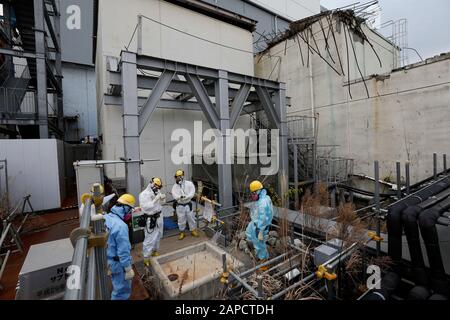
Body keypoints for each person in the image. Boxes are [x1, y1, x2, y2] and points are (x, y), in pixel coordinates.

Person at [104, 194, 136, 300]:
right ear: (125, 208)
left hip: (108, 260)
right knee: (121, 292)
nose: (130, 213)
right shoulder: (121, 226)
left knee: (116, 286)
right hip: (118, 264)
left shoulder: (106, 217)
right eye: (130, 210)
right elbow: (123, 251)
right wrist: (127, 268)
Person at [245, 180, 274, 267]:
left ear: (258, 192)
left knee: (260, 244)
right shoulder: (265, 197)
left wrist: (261, 231)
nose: (252, 196)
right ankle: (258, 253)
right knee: (249, 235)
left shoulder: (262, 203)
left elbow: (263, 218)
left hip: (260, 227)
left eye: (253, 194)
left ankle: (264, 262)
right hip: (255, 223)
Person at [139, 177, 166, 266]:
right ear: (152, 184)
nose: (158, 189)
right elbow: (146, 207)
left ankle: (155, 251)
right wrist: (155, 199)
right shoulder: (144, 194)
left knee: (159, 235)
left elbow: (162, 204)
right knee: (149, 238)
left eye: (159, 187)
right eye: (156, 187)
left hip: (159, 217)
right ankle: (146, 257)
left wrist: (162, 198)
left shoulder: (157, 192)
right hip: (151, 218)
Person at [171, 170, 198, 240]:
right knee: (181, 219)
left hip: (188, 204)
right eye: (176, 177)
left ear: (182, 176)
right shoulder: (175, 186)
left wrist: (188, 196)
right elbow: (174, 194)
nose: (177, 179)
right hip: (180, 205)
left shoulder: (189, 184)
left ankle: (193, 230)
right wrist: (179, 197)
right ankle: (182, 232)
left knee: (191, 217)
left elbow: (192, 191)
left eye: (179, 177)